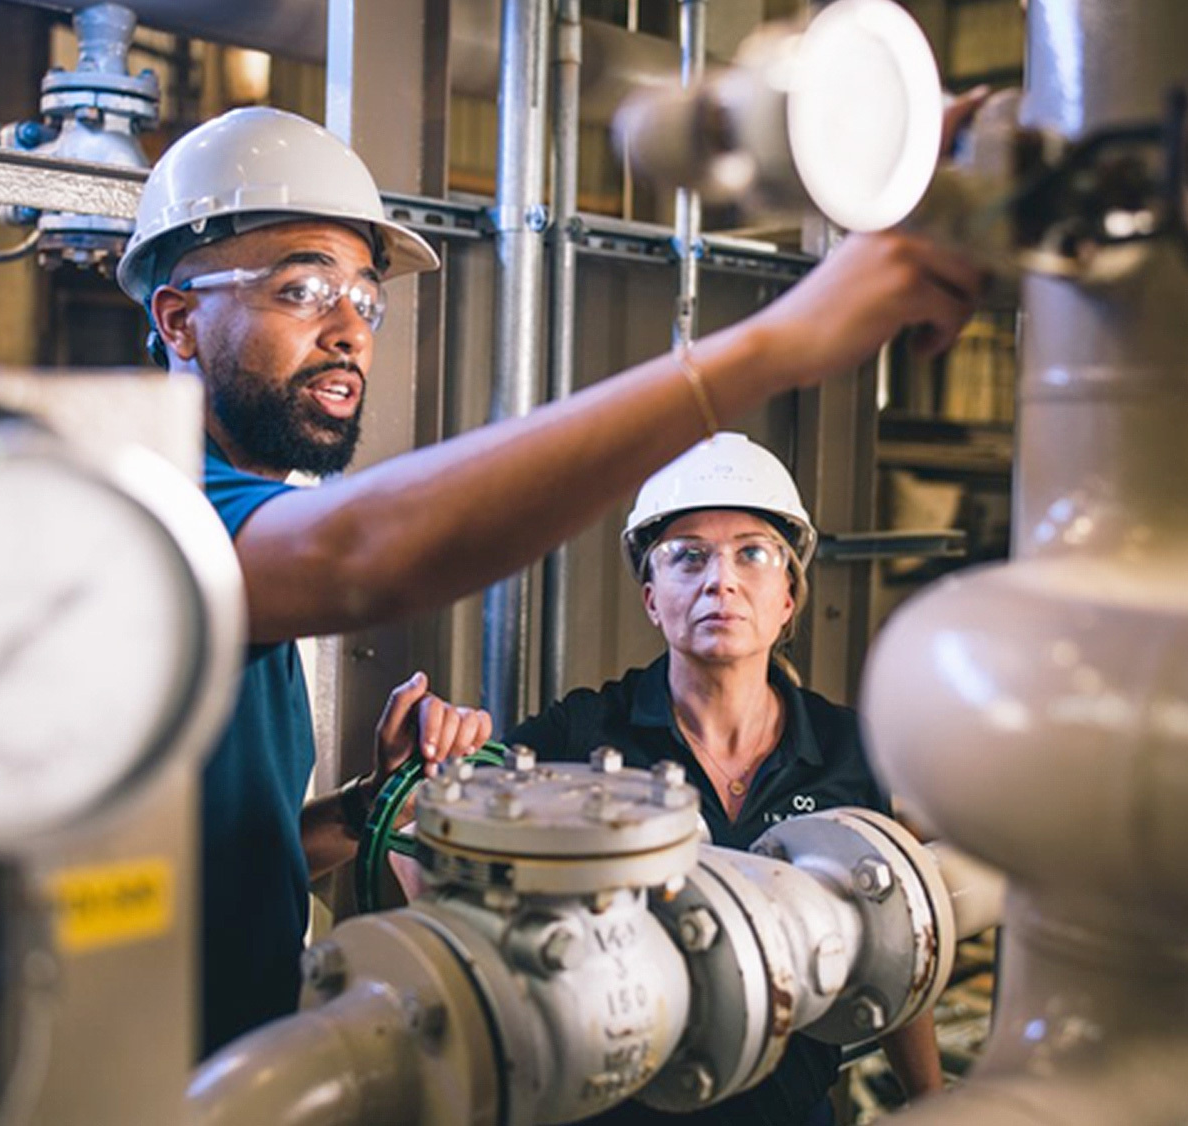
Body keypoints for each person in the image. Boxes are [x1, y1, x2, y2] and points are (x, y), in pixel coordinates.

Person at [116, 105, 985, 1059]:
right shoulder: (153, 502)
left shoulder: (849, 746)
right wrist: (778, 344)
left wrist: (368, 808)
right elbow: (370, 552)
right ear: (179, 319)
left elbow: (245, 849)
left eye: (365, 298)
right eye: (303, 287)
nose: (348, 330)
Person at [407, 433, 938, 1125]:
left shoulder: (850, 749)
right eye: (690, 557)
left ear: (787, 597)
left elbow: (901, 941)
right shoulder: (583, 734)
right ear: (653, 599)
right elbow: (433, 848)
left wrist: (934, 1101)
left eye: (753, 553)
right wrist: (426, 770)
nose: (722, 580)